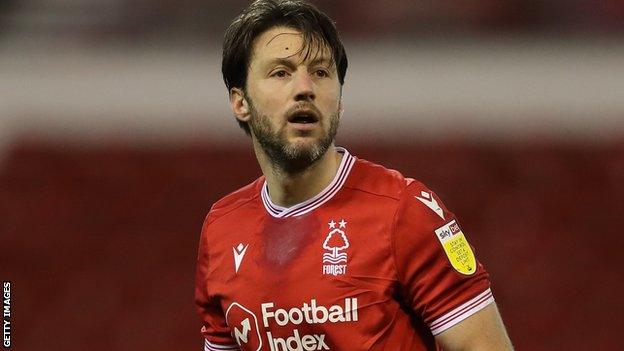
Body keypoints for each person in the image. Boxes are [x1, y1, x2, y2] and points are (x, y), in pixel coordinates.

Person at [195, 1, 514, 350]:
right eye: (281, 73)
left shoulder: (403, 211)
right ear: (240, 102)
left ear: (340, 101)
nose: (305, 88)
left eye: (320, 72)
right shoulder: (222, 227)